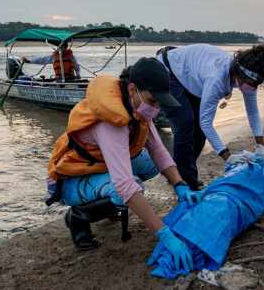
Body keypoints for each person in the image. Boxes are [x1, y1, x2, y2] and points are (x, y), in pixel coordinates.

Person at [46, 57, 200, 272]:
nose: (156, 108)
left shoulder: (137, 107)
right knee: (127, 189)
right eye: (152, 101)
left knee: (151, 164)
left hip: (98, 167)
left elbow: (158, 150)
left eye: (159, 102)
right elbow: (126, 186)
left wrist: (180, 185)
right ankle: (78, 217)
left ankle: (107, 203)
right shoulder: (111, 122)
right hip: (72, 181)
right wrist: (165, 235)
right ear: (132, 89)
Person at [156, 44, 264, 190]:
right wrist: (228, 157)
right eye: (252, 84)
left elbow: (253, 112)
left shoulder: (248, 78)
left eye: (257, 85)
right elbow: (206, 123)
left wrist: (260, 145)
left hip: (192, 76)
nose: (253, 88)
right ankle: (185, 182)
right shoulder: (216, 79)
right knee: (185, 124)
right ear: (239, 75)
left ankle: (181, 174)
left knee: (199, 133)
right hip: (168, 70)